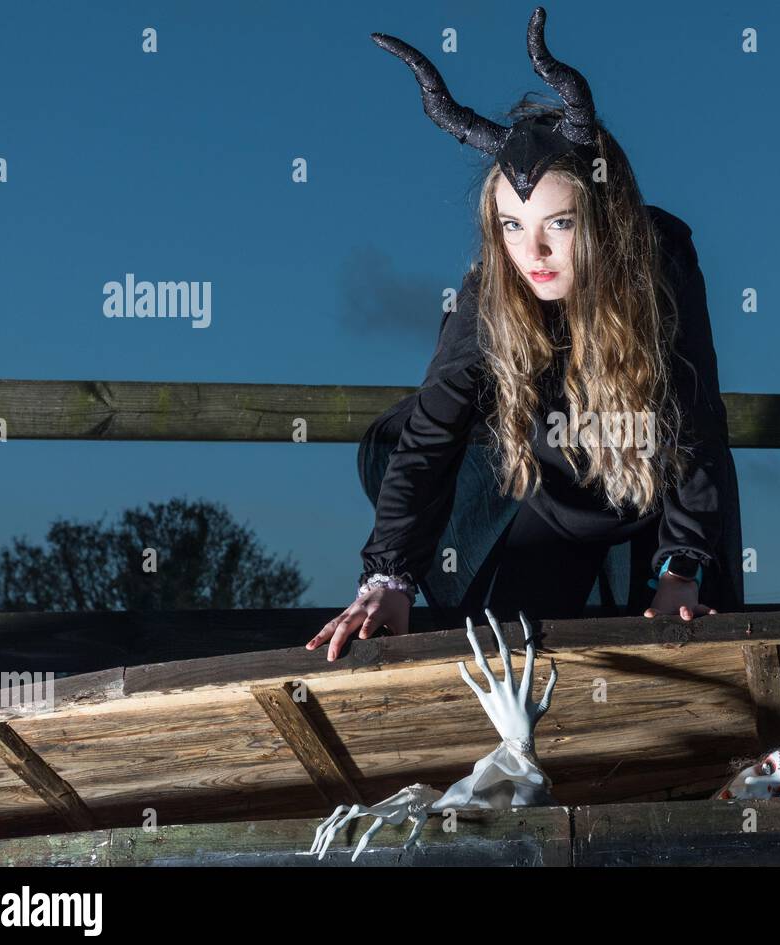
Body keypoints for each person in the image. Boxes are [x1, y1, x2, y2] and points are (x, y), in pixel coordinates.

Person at [308, 8, 743, 661]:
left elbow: (698, 424)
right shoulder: (491, 293)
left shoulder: (661, 258)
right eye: (512, 225)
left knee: (700, 653)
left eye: (558, 224)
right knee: (512, 661)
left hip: (660, 495)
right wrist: (387, 576)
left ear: (602, 216)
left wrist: (683, 568)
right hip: (551, 500)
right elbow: (431, 435)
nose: (532, 250)